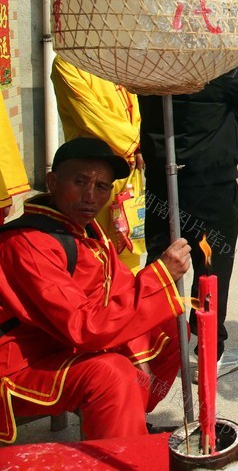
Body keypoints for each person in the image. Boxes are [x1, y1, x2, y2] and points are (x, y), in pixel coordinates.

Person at [0, 137, 191, 442]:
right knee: (113, 374)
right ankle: (122, 449)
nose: (90, 196)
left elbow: (120, 287)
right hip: (21, 361)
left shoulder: (84, 228)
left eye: (102, 187)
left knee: (171, 324)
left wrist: (138, 342)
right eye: (80, 181)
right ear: (52, 181)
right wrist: (159, 276)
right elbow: (83, 327)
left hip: (64, 338)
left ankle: (127, 421)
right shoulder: (28, 243)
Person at [139, 54, 238, 380]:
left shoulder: (149, 52)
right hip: (210, 180)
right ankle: (210, 352)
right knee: (211, 267)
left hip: (162, 178)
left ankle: (150, 349)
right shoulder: (213, 55)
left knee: (162, 262)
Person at [51, 55, 146, 271]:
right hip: (92, 172)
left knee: (128, 243)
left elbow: (135, 109)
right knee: (93, 246)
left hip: (128, 169)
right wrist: (135, 143)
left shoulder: (115, 60)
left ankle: (126, 296)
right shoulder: (67, 63)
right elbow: (92, 116)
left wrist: (139, 143)